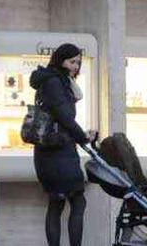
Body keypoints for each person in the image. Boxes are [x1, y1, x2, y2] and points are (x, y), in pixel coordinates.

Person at [29, 43, 98, 246]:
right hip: (58, 153)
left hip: (50, 152)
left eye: (78, 62)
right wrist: (83, 137)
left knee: (56, 203)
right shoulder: (55, 82)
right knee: (77, 201)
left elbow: (61, 117)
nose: (75, 66)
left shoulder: (53, 80)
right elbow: (65, 117)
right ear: (61, 60)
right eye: (71, 62)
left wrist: (80, 136)